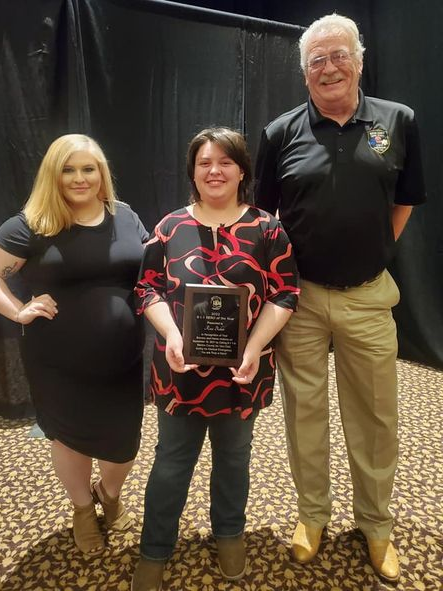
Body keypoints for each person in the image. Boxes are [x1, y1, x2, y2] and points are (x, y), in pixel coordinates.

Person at [254, 13, 426, 583]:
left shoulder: (397, 122)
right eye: (316, 60)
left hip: (368, 298)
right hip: (298, 302)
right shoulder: (280, 133)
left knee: (376, 416)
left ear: (359, 58)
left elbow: (403, 202)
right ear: (305, 72)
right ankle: (312, 516)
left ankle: (376, 525)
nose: (329, 67)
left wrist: (372, 249)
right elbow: (265, 218)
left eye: (338, 55)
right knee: (304, 414)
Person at [131, 127, 299, 591]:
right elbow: (146, 289)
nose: (214, 171)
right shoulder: (169, 227)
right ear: (193, 171)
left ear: (242, 170)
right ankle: (155, 548)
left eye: (225, 162)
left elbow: (285, 292)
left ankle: (229, 533)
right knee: (170, 462)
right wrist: (170, 333)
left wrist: (251, 347)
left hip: (243, 372)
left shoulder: (268, 227)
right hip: (180, 370)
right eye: (204, 162)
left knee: (234, 460)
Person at [0, 134, 149, 554]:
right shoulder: (33, 223)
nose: (79, 178)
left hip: (122, 362)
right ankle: (83, 510)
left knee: (124, 446)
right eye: (69, 169)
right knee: (69, 439)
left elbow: (152, 271)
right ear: (54, 174)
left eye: (89, 168)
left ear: (102, 174)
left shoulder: (124, 216)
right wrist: (16, 310)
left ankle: (110, 494)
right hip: (58, 363)